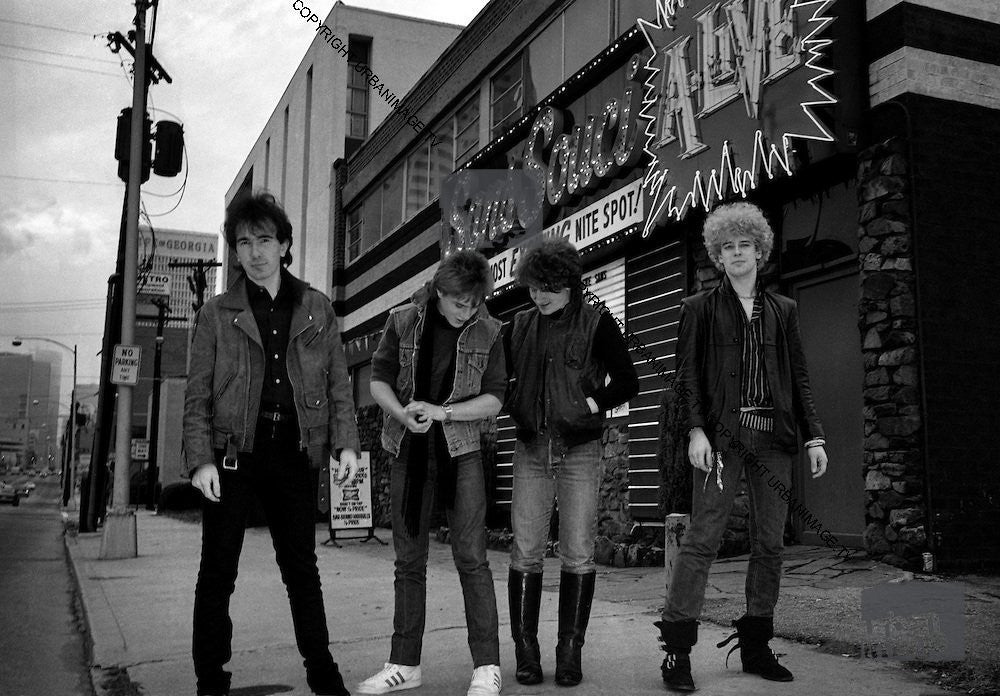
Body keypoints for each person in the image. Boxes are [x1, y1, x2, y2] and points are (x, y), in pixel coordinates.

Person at [184, 192, 360, 696]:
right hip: (233, 453)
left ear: (285, 245)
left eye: (265, 239)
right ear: (235, 252)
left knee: (301, 569)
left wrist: (344, 444)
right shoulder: (216, 313)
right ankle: (210, 681)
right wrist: (199, 461)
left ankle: (324, 677)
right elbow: (197, 393)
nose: (255, 251)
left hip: (293, 450)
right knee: (218, 572)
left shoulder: (316, 307)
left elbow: (338, 384)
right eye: (244, 242)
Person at [655, 202, 829, 692]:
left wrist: (813, 434)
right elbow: (686, 376)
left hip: (773, 438)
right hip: (722, 439)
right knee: (703, 539)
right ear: (717, 255)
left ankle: (755, 645)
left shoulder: (784, 310)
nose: (736, 253)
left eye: (744, 245)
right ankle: (677, 653)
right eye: (727, 246)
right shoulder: (698, 309)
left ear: (760, 251)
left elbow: (799, 378)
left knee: (769, 543)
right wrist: (695, 431)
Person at [358, 249, 505, 696]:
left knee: (472, 558)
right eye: (461, 302)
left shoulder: (490, 329)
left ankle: (487, 667)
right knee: (408, 561)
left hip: (461, 452)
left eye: (476, 302)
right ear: (440, 292)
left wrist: (442, 412)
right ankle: (404, 663)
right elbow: (378, 379)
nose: (469, 311)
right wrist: (402, 414)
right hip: (409, 450)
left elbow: (495, 399)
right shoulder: (403, 321)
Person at [505, 237, 638, 687]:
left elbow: (628, 382)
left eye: (548, 287)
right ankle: (526, 650)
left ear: (568, 282)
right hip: (530, 448)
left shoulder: (596, 322)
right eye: (533, 287)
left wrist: (591, 402)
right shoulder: (518, 326)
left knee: (578, 552)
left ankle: (569, 651)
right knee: (525, 551)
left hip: (580, 449)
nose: (539, 296)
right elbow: (495, 379)